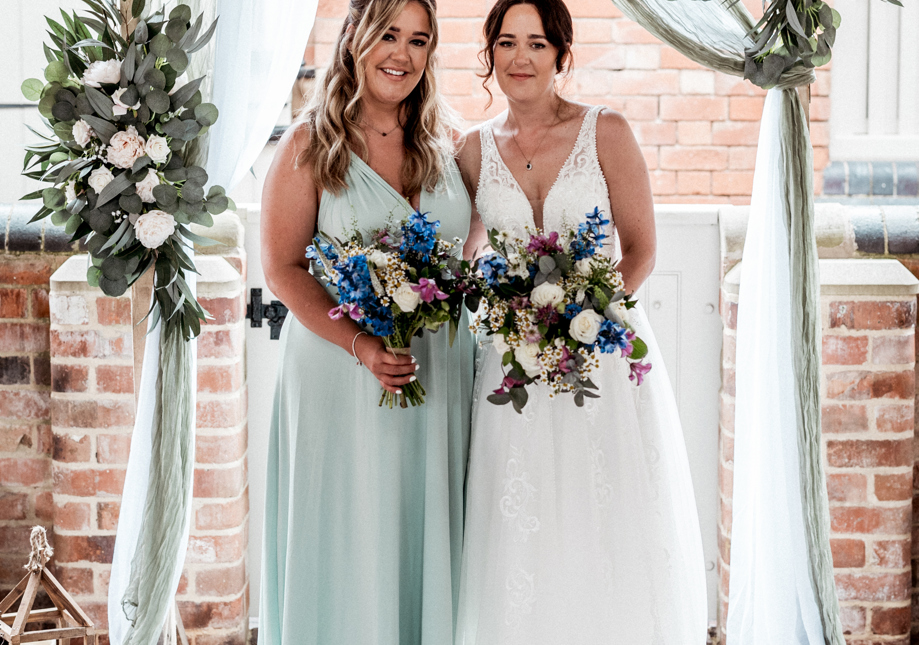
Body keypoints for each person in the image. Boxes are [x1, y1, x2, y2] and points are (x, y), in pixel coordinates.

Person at [455, 0, 708, 642]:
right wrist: (510, 308)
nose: (521, 58)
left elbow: (642, 250)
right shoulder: (472, 150)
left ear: (561, 55)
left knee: (606, 513)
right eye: (507, 43)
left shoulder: (607, 132)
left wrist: (580, 317)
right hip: (513, 362)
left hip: (603, 358)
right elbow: (468, 252)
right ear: (490, 54)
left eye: (538, 44)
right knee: (521, 518)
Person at [258, 1, 474, 643]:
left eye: (418, 39)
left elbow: (470, 248)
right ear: (353, 35)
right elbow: (283, 268)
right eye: (388, 34)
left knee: (422, 527)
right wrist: (362, 344)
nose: (401, 54)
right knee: (346, 535)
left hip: (434, 371)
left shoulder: (451, 145)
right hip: (339, 375)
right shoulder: (308, 145)